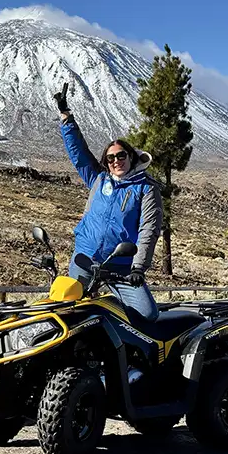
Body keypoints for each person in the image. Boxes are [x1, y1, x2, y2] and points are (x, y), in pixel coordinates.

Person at [53, 85, 163, 322]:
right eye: (111, 158)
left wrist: (138, 268)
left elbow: (149, 230)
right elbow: (79, 153)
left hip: (121, 266)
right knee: (67, 313)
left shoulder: (145, 187)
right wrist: (66, 116)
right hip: (85, 258)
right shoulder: (99, 179)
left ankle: (115, 329)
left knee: (147, 314)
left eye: (121, 155)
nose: (116, 161)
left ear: (131, 156)